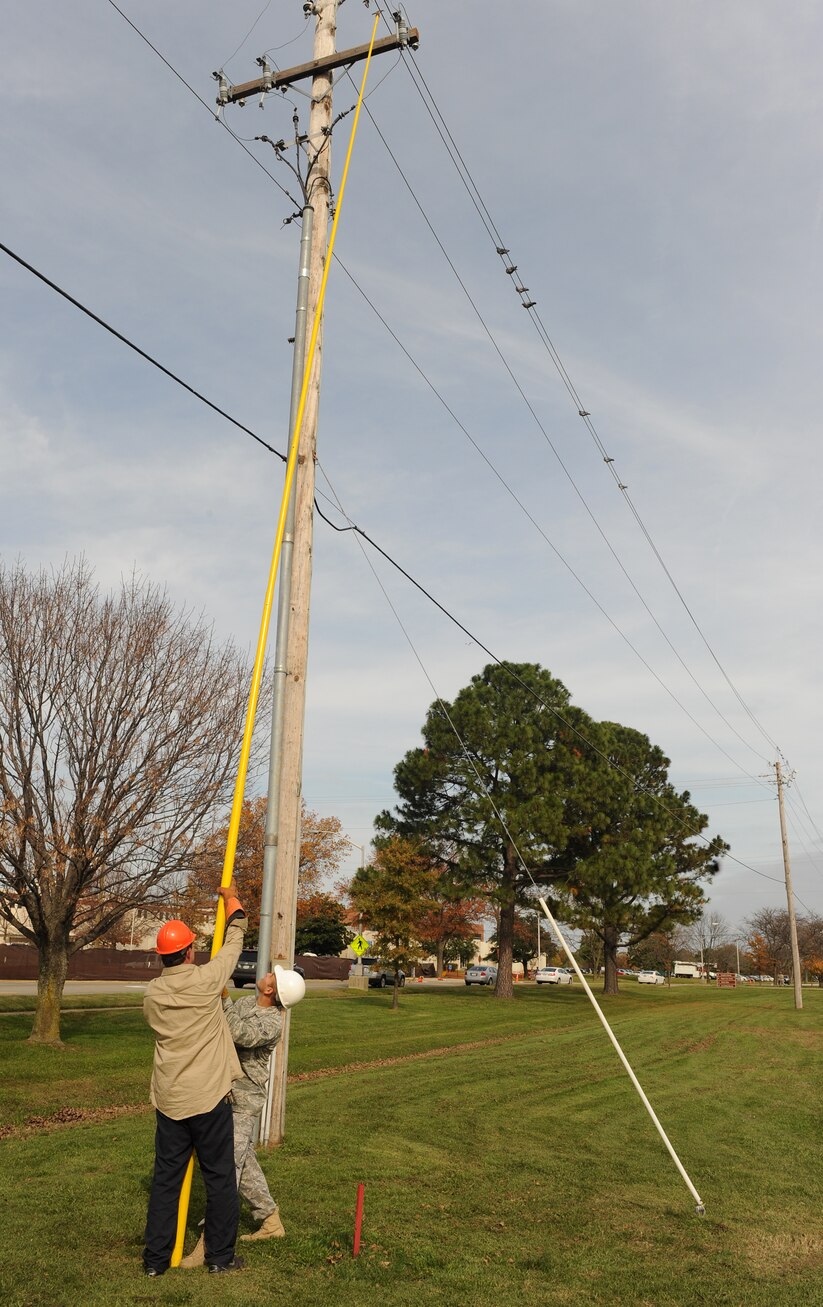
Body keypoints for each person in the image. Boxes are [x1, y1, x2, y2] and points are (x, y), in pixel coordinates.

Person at [142, 880, 248, 1277]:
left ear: (162, 957)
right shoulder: (207, 981)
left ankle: (155, 1262)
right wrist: (232, 898)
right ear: (189, 952)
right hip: (208, 1098)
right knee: (219, 1179)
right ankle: (219, 1258)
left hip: (170, 1099)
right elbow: (235, 939)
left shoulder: (152, 995)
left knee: (165, 1181)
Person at [179, 962, 307, 1268]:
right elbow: (226, 1022)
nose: (267, 974)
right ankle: (270, 1220)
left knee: (226, 1170)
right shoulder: (248, 1002)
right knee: (242, 1161)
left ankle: (209, 1244)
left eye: (271, 976)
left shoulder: (272, 1023)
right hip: (224, 1090)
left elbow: (237, 1033)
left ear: (271, 989)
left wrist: (223, 996)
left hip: (244, 1101)